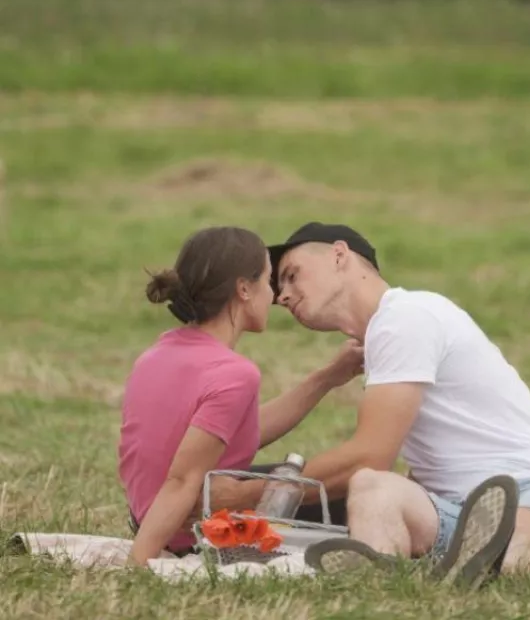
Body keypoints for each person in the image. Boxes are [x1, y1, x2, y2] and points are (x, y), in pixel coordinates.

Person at [220, 222, 530, 585]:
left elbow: (368, 454)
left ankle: (497, 559)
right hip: (458, 513)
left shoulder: (406, 316)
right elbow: (383, 470)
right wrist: (327, 377)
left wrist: (244, 496)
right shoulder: (386, 335)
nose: (283, 295)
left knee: (517, 525)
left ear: (340, 256)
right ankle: (412, 573)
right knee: (373, 490)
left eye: (292, 274)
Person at [120, 226, 363, 566]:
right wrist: (140, 561)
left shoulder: (159, 352)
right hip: (190, 532)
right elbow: (183, 478)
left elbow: (228, 434)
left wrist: (328, 377)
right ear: (244, 289)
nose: (275, 296)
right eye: (267, 280)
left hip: (150, 516)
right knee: (358, 492)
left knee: (295, 475)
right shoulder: (234, 374)